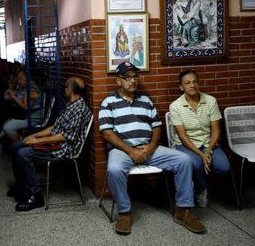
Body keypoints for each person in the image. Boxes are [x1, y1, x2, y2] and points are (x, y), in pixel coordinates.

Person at [98, 61, 205, 235]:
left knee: (183, 160)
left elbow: (156, 127)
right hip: (123, 150)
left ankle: (183, 210)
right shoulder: (108, 102)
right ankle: (124, 212)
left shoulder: (146, 101)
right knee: (114, 168)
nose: (133, 81)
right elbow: (107, 133)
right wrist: (131, 151)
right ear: (119, 81)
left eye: (135, 76)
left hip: (149, 147)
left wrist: (151, 147)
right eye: (127, 77)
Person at [12, 77, 92, 211]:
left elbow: (64, 137)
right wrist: (34, 136)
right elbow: (56, 127)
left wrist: (37, 141)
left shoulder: (79, 110)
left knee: (23, 154)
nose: (64, 89)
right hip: (58, 142)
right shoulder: (71, 104)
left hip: (64, 148)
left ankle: (36, 196)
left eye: (65, 86)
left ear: (70, 89)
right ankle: (23, 188)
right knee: (15, 146)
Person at [169, 70, 230, 207]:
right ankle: (201, 189)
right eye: (188, 83)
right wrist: (201, 155)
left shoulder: (210, 101)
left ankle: (202, 182)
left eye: (195, 82)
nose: (192, 85)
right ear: (181, 87)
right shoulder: (175, 106)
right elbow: (182, 137)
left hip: (209, 143)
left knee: (223, 167)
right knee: (195, 164)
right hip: (186, 145)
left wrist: (208, 151)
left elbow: (216, 130)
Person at [0, 70, 43, 142]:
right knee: (7, 116)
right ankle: (5, 134)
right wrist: (13, 94)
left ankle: (20, 143)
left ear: (28, 78)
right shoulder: (26, 87)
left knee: (7, 127)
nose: (18, 81)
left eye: (20, 79)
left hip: (33, 118)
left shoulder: (32, 89)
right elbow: (22, 100)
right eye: (18, 79)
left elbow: (26, 107)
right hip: (26, 115)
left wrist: (13, 97)